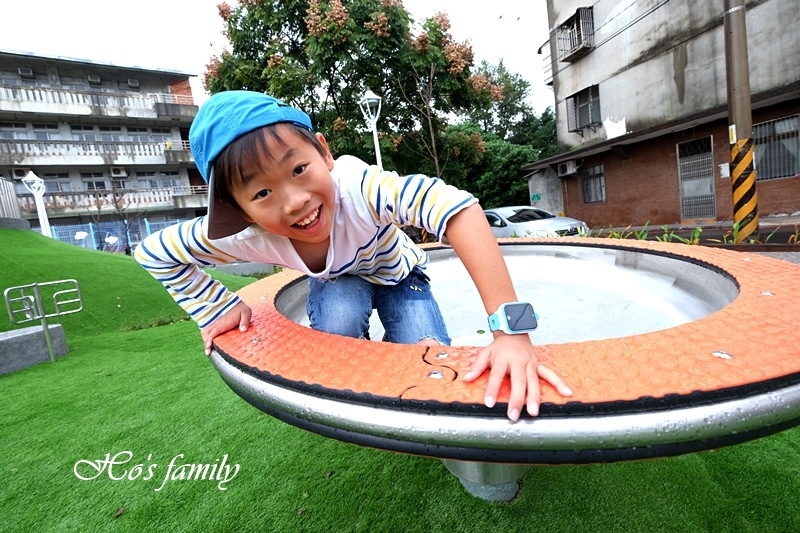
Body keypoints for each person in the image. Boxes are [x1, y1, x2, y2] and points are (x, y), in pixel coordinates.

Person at [135, 91, 572, 421]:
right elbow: (154, 252)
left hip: (399, 274)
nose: (294, 203)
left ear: (324, 153)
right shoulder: (251, 237)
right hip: (337, 278)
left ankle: (403, 352)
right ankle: (369, 366)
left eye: (299, 169)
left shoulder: (358, 188)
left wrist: (510, 332)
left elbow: (456, 207)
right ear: (239, 209)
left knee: (431, 359)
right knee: (337, 330)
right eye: (262, 192)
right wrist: (216, 307)